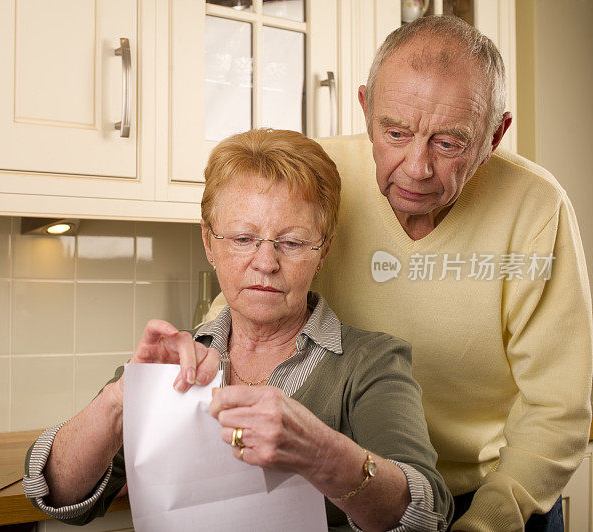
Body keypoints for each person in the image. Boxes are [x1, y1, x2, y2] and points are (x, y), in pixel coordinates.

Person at [203, 15, 593, 532]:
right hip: (360, 489)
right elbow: (250, 298)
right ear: (365, 109)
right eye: (395, 132)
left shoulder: (537, 210)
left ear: (495, 135)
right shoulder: (322, 178)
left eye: (448, 143)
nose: (415, 166)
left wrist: (485, 521)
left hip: (493, 489)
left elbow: (557, 409)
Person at [23, 129, 453, 531]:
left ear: (323, 250)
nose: (266, 263)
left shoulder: (371, 362)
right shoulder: (180, 357)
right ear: (209, 244)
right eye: (243, 239)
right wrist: (122, 398)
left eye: (293, 242)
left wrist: (322, 455)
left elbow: (428, 512)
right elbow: (54, 491)